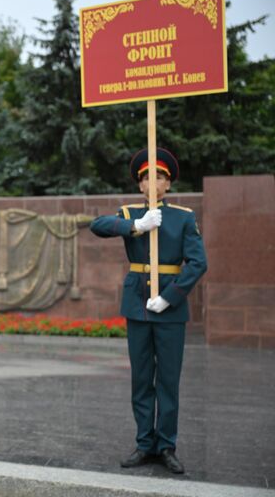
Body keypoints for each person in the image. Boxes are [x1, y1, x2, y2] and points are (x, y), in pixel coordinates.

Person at [90, 148, 207, 474]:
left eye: (159, 176)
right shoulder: (129, 213)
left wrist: (171, 296)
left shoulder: (183, 217)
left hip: (169, 308)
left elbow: (199, 263)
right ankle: (145, 443)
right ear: (140, 186)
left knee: (168, 380)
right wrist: (137, 226)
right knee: (142, 380)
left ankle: (166, 445)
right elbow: (97, 225)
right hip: (138, 306)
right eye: (146, 178)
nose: (152, 182)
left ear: (168, 184)